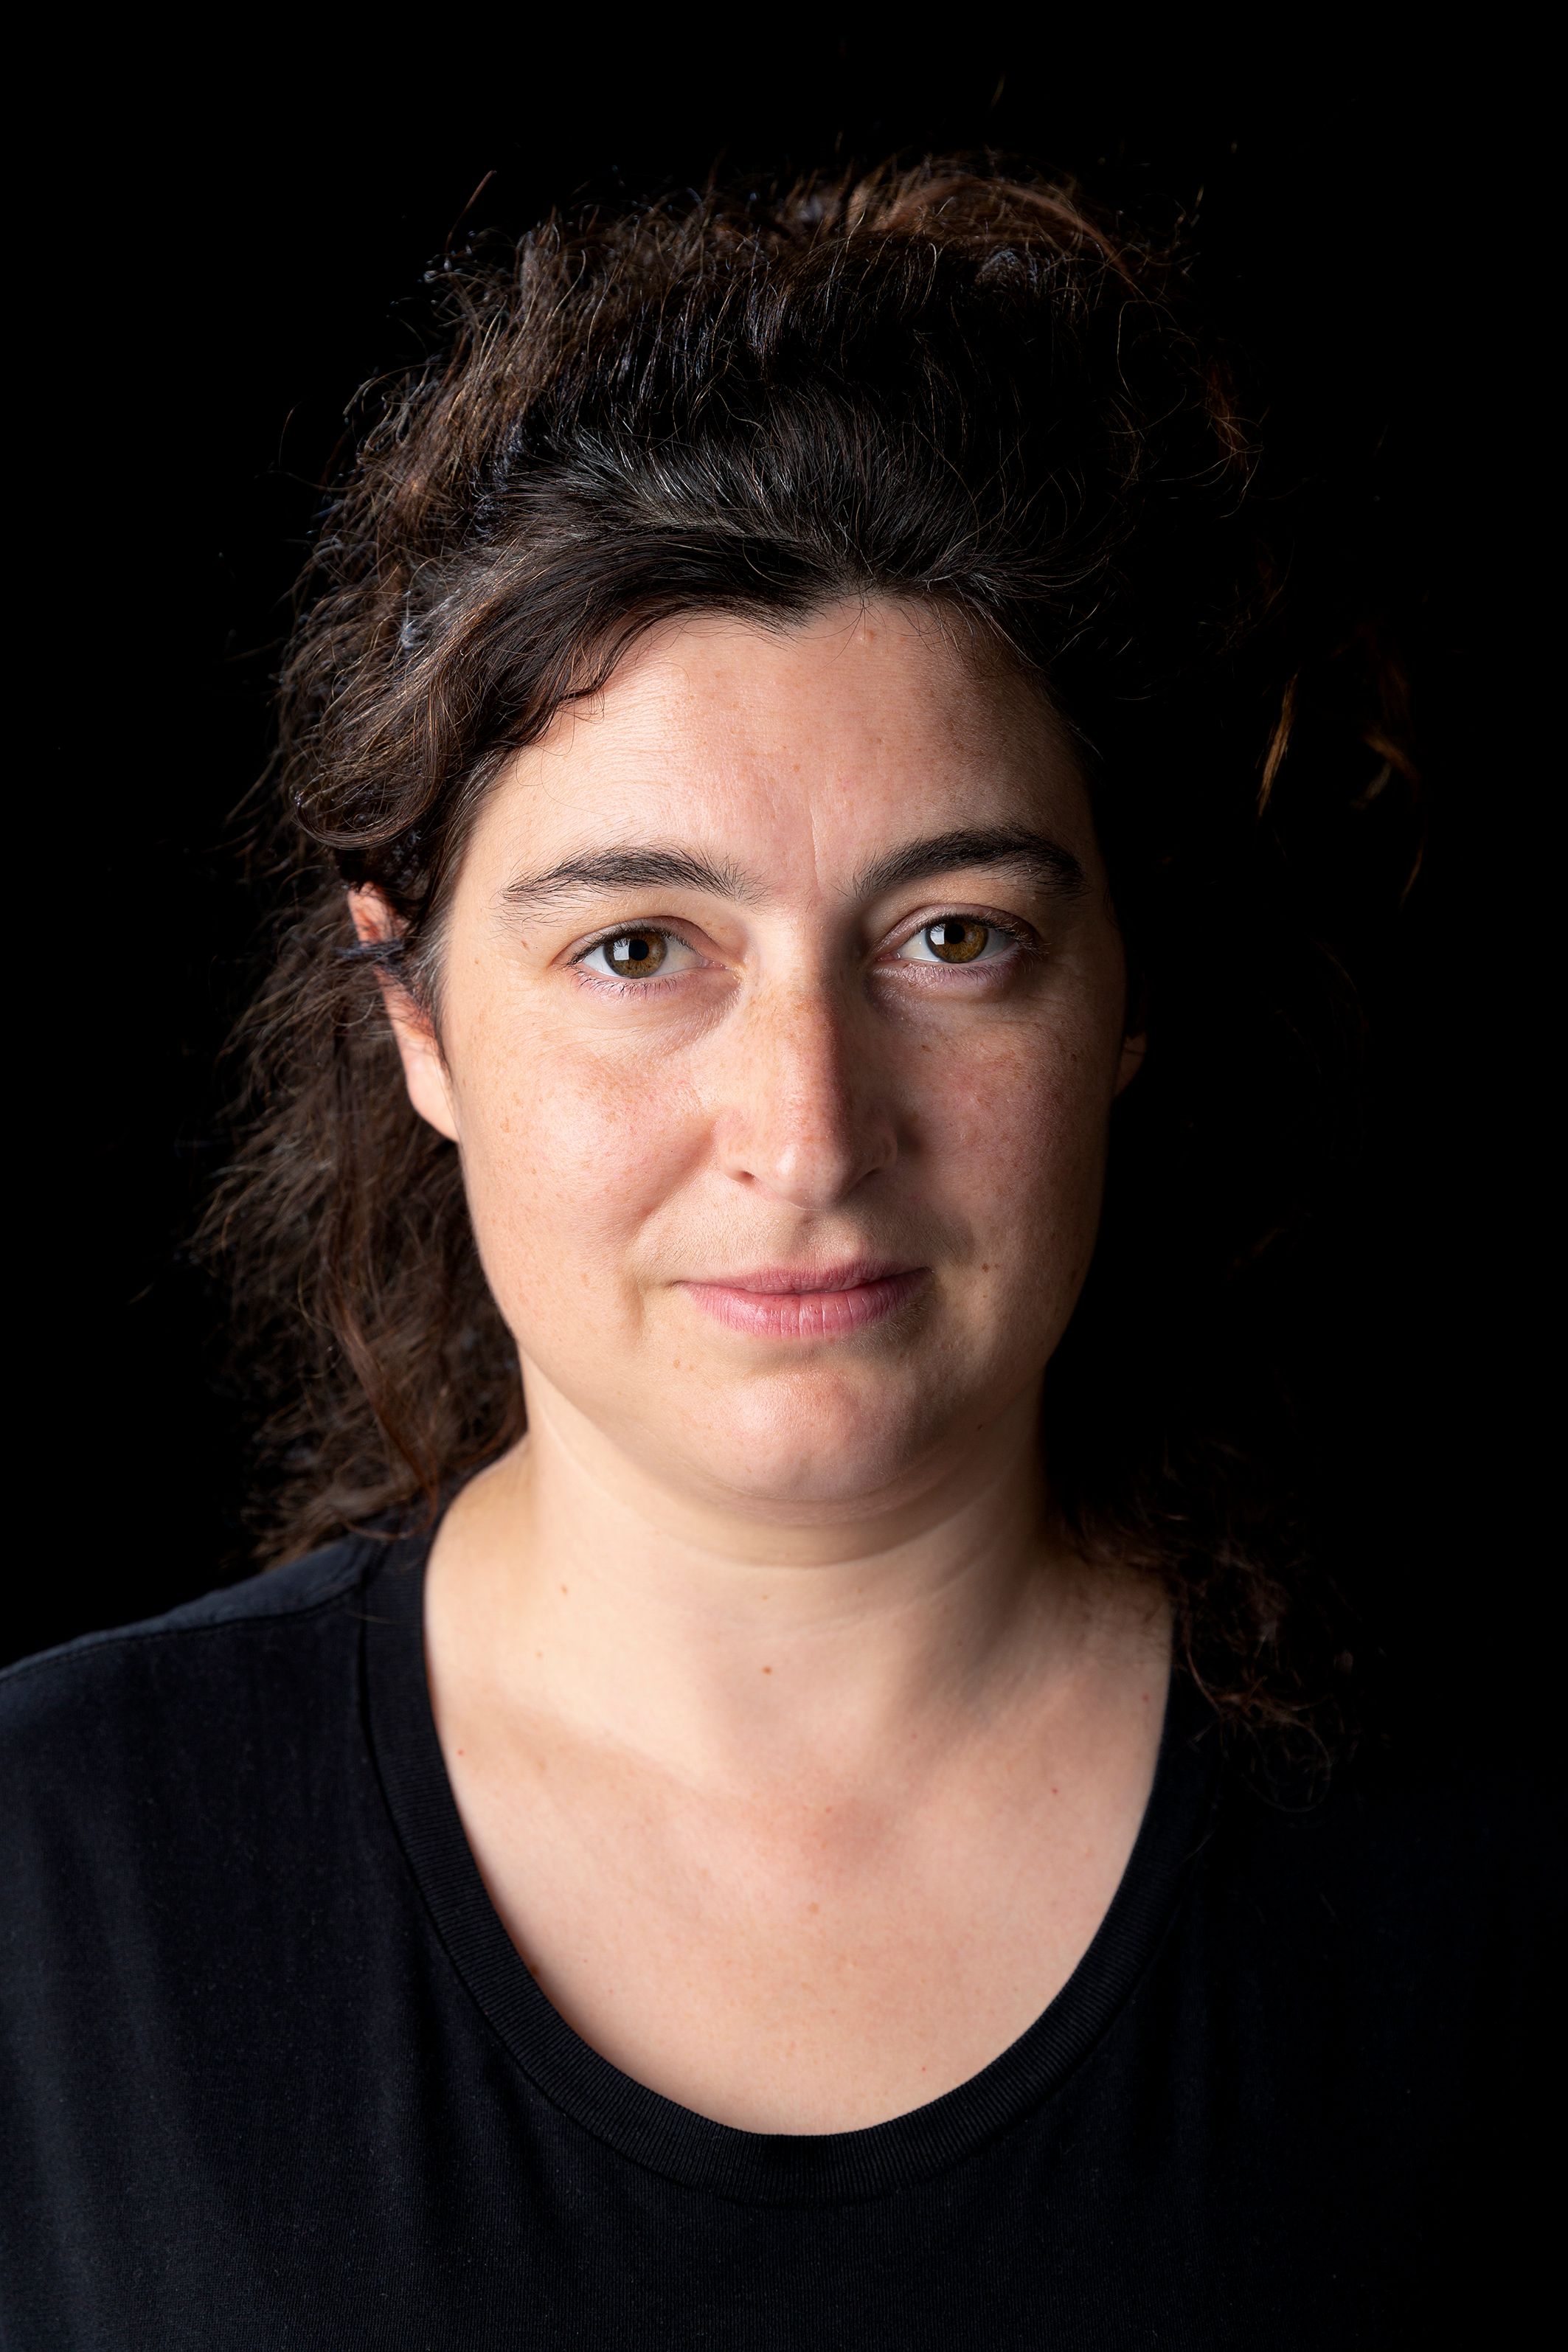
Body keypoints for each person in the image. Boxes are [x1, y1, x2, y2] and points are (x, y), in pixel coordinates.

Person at [1, 163, 1550, 2348]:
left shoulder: (1492, 1889)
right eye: (642, 949)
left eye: (952, 939)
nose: (810, 1134)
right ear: (417, 1017)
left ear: (1127, 998)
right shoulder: (49, 1872)